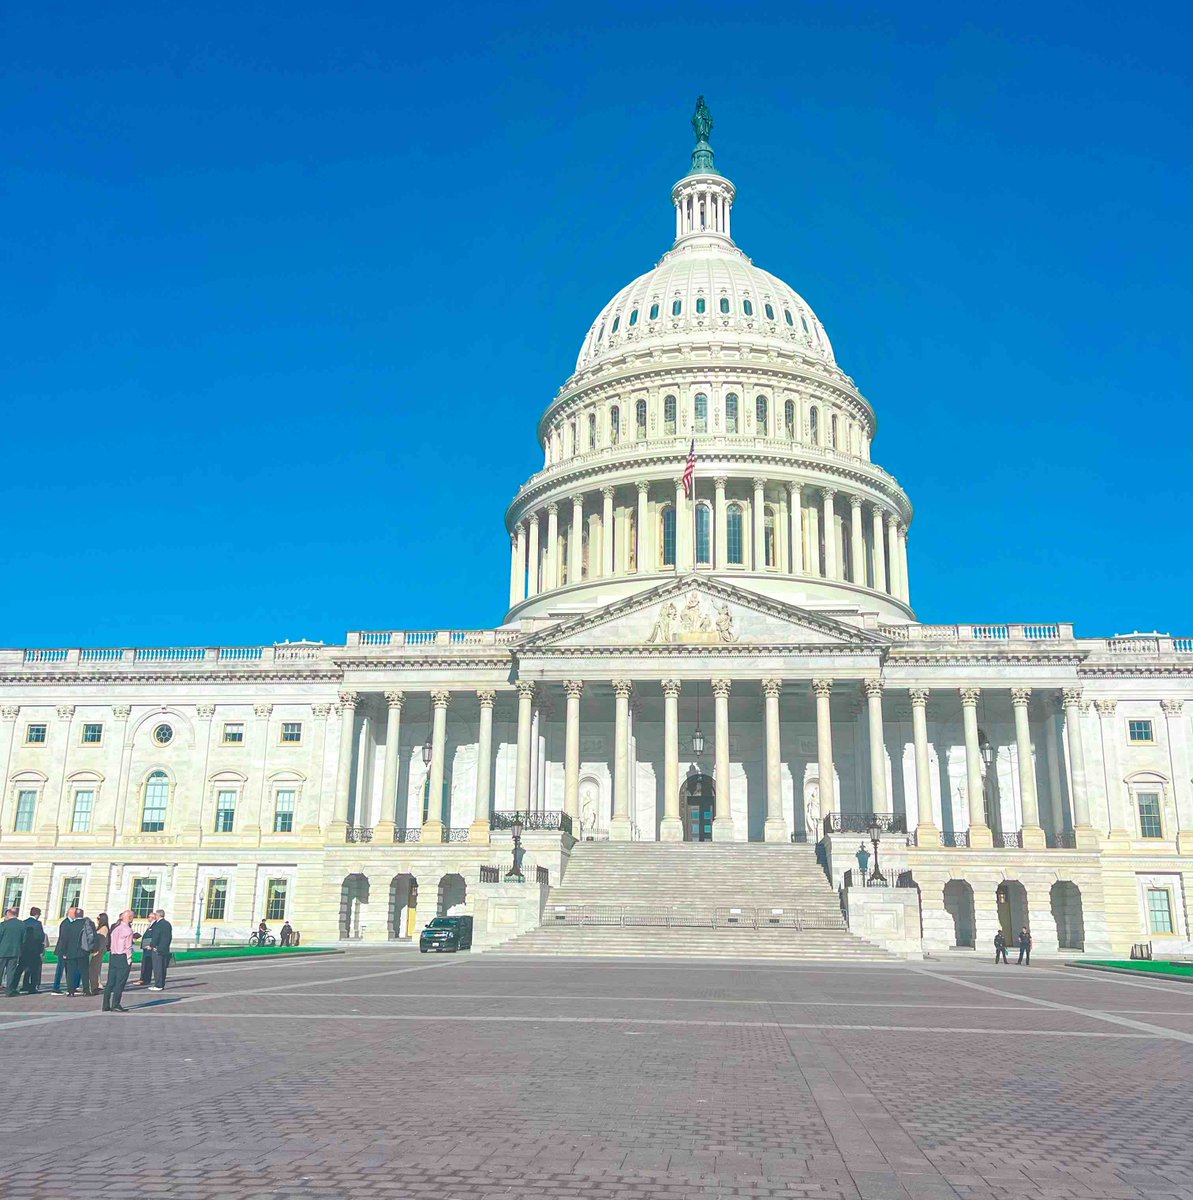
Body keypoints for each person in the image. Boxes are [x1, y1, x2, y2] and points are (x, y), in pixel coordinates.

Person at [103, 910, 135, 1013]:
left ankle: (105, 1004)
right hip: (122, 957)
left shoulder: (115, 929)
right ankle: (115, 1004)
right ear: (129, 917)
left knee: (110, 982)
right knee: (120, 983)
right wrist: (129, 958)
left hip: (113, 955)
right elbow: (128, 946)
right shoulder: (128, 930)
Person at [53, 907, 82, 995]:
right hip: (63, 950)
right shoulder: (66, 923)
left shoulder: (71, 923)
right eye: (74, 913)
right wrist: (64, 952)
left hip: (68, 950)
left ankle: (71, 986)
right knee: (60, 969)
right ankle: (56, 987)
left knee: (69, 969)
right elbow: (63, 939)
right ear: (70, 913)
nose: (76, 915)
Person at [67, 908, 95, 996]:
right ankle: (86, 990)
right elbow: (91, 937)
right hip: (83, 951)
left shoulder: (70, 925)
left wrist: (64, 951)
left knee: (71, 972)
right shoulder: (85, 924)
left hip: (71, 951)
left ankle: (71, 991)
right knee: (84, 972)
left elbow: (64, 938)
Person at [18, 907, 46, 993]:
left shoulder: (24, 922)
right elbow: (41, 937)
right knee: (34, 969)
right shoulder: (37, 924)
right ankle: (32, 987)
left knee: (22, 968)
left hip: (24, 950)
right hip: (34, 950)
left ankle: (23, 985)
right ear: (37, 914)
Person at [0, 907, 26, 997]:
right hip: (15, 951)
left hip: (2, 951)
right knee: (11, 972)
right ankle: (9, 990)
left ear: (8, 914)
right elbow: (24, 939)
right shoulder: (22, 925)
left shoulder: (3, 925)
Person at [147, 909, 173, 991]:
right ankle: (161, 984)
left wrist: (152, 945)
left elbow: (156, 936)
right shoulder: (167, 924)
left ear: (158, 915)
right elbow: (169, 937)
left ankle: (158, 985)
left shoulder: (158, 924)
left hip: (157, 949)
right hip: (165, 949)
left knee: (157, 968)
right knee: (163, 968)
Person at [88, 912, 111, 996]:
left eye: (98, 919)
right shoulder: (101, 928)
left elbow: (103, 941)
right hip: (99, 950)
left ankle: (95, 986)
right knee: (95, 968)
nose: (97, 920)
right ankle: (96, 984)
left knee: (93, 968)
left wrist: (97, 950)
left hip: (99, 951)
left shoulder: (104, 928)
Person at [133, 911, 158, 987]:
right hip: (146, 947)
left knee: (147, 964)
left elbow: (153, 936)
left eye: (149, 917)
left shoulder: (155, 925)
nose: (148, 918)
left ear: (153, 918)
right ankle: (144, 978)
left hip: (149, 947)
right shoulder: (151, 925)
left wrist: (150, 945)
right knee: (146, 963)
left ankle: (144, 979)